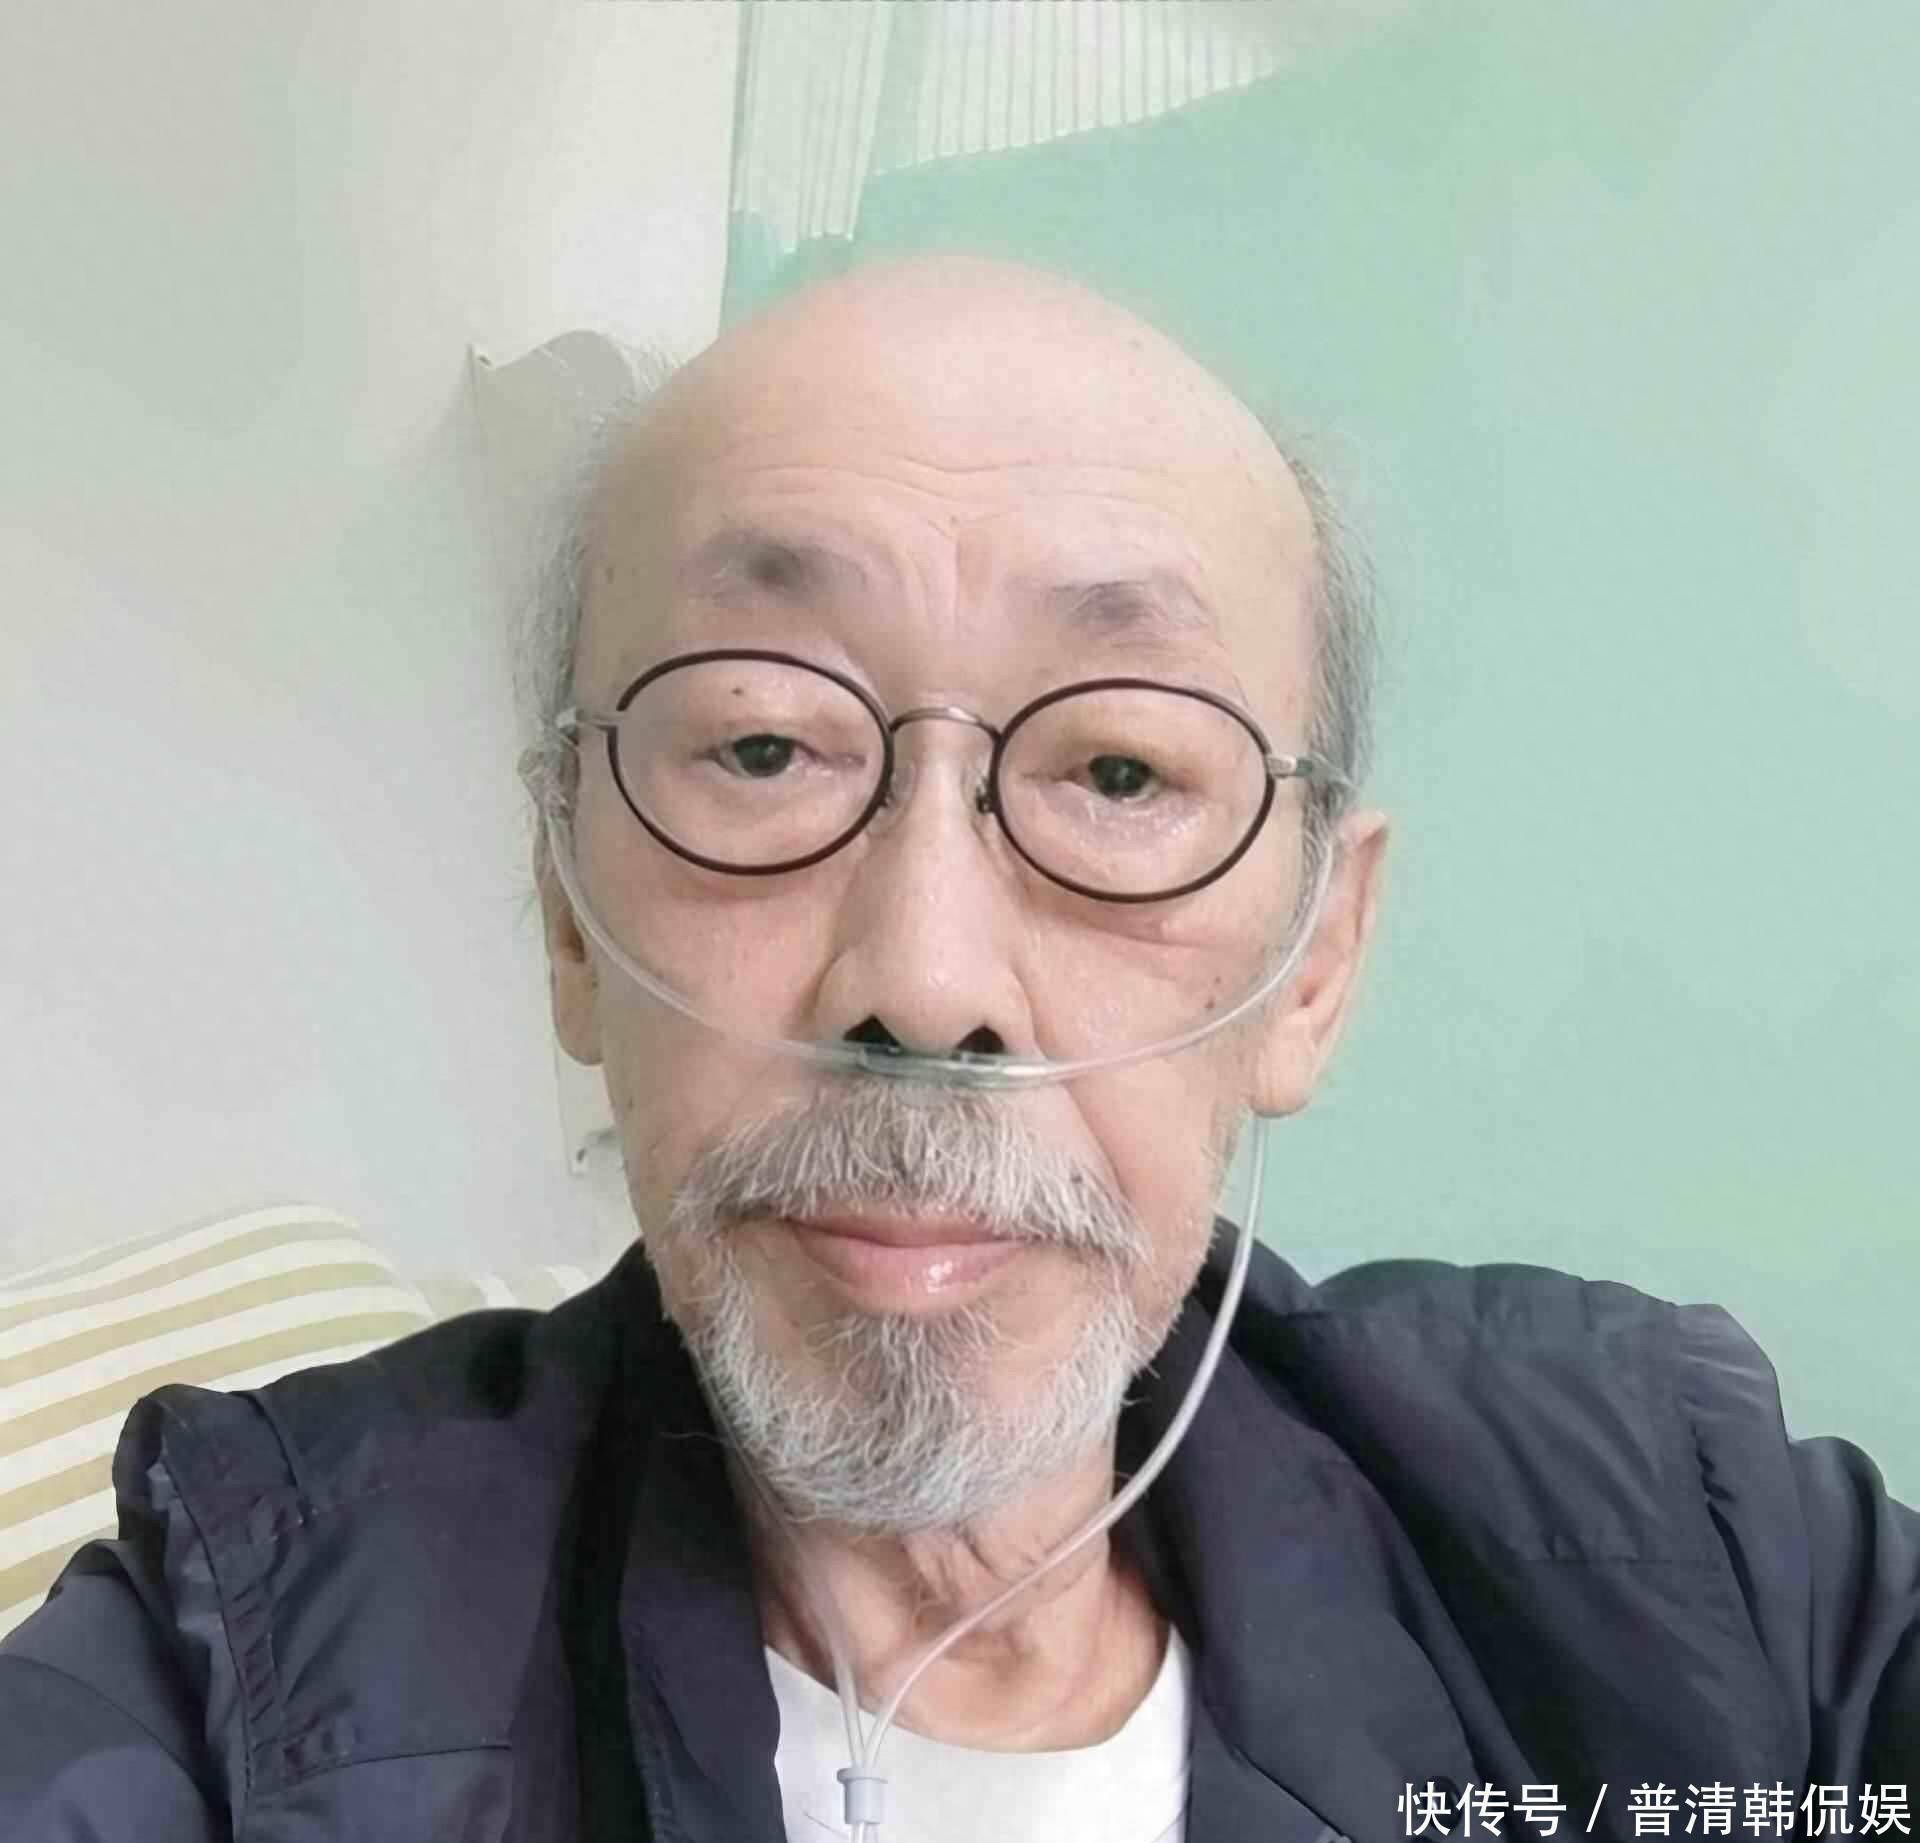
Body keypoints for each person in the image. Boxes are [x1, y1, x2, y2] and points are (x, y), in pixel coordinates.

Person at [1, 255, 1913, 1843]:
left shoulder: (1692, 1545)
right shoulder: (239, 1659)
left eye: (1120, 772)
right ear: (567, 917)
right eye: (762, 745)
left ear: (1317, 957)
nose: (923, 982)